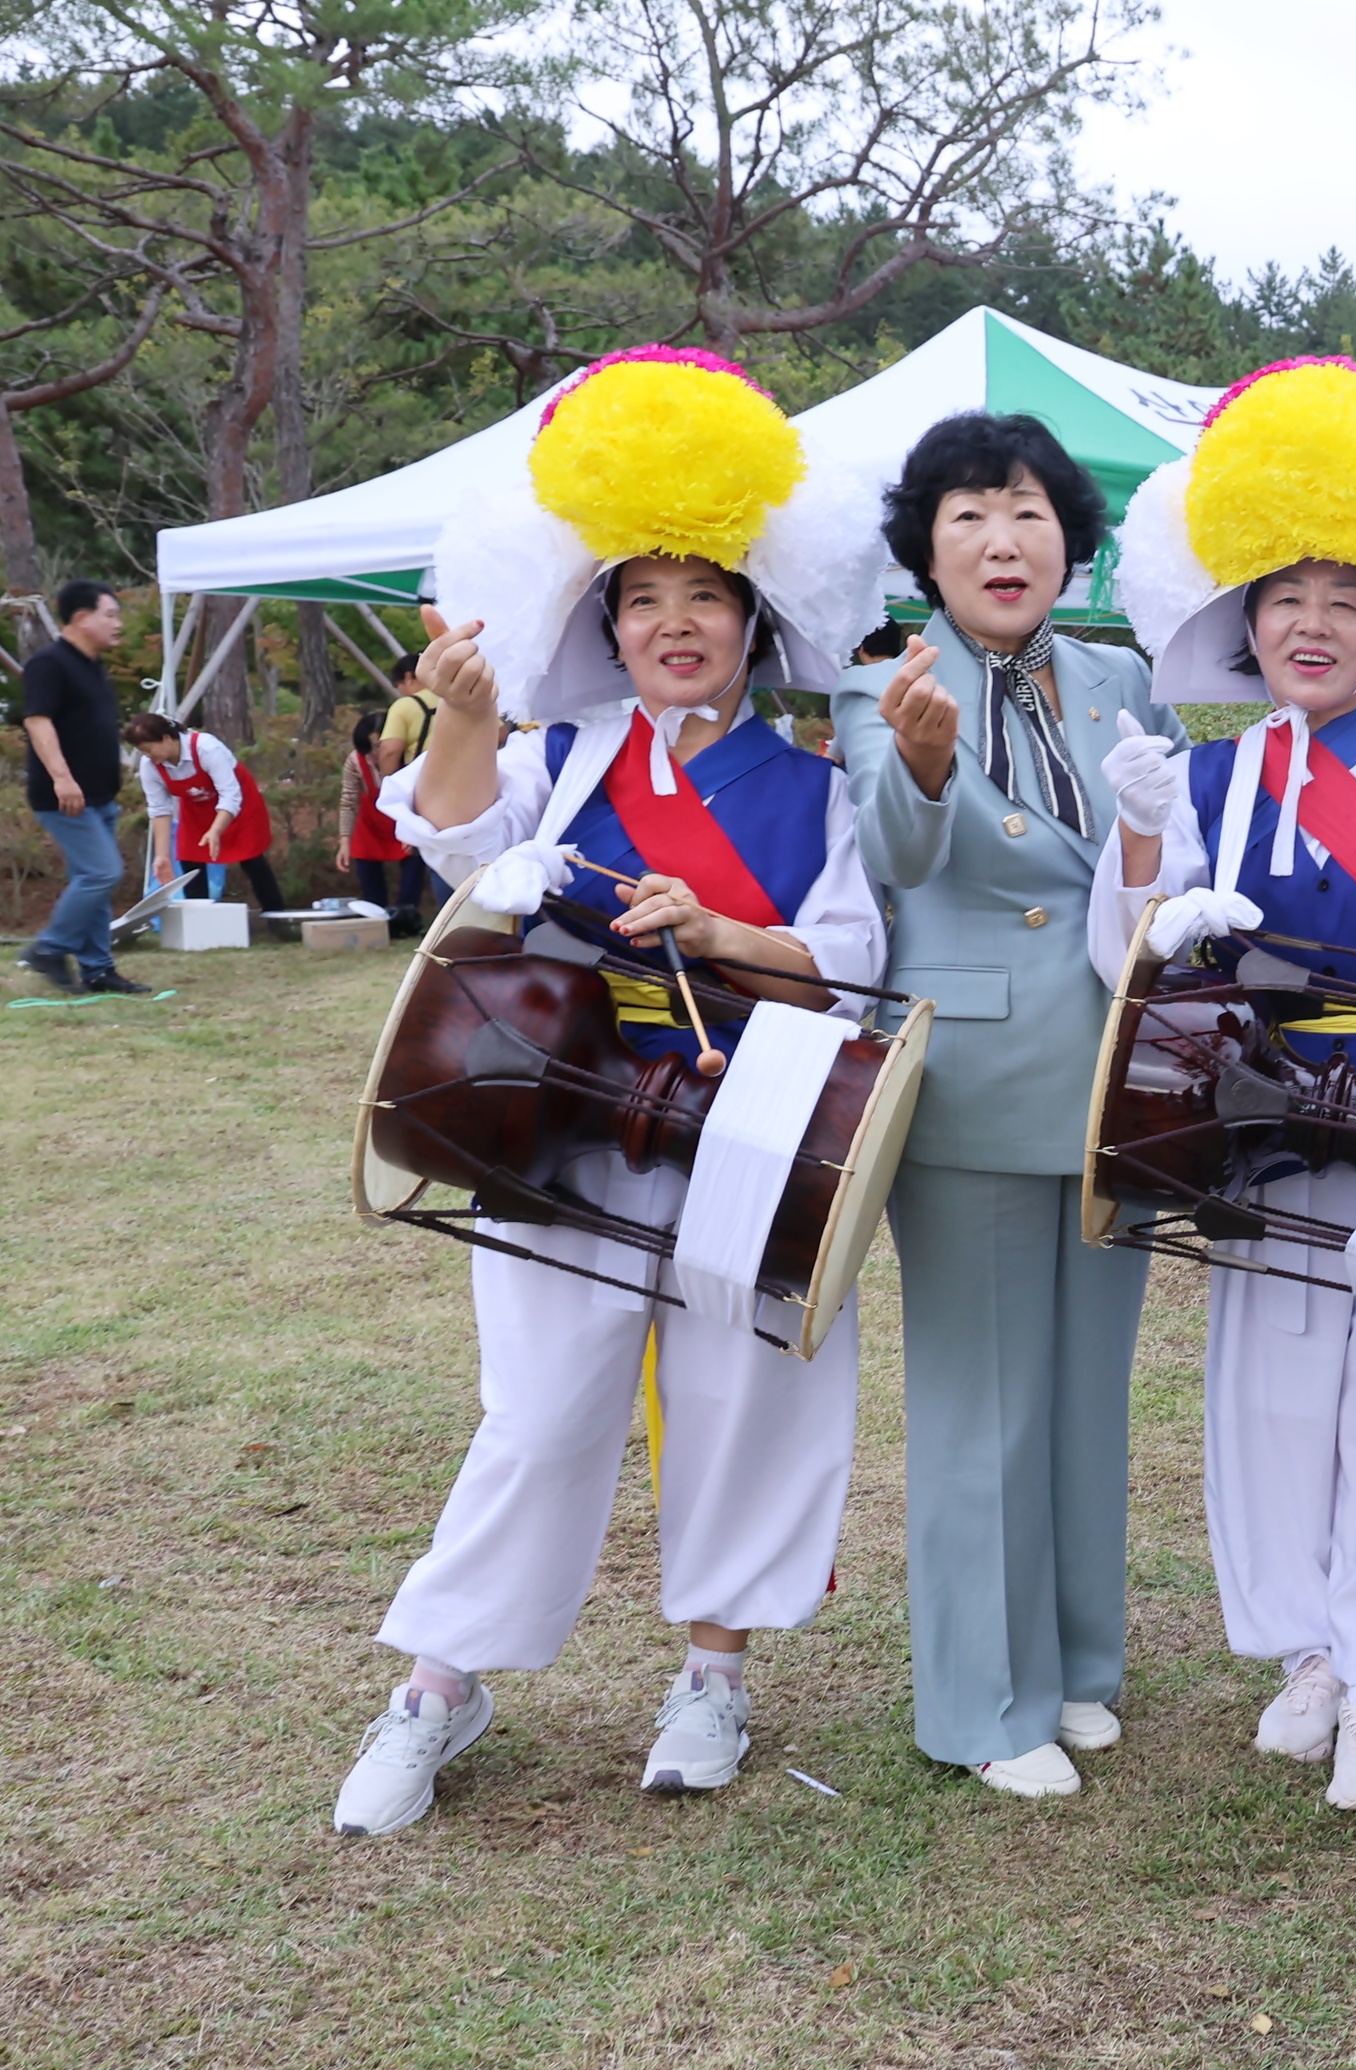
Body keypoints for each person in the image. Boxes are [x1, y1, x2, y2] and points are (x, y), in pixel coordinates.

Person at [335, 346, 893, 1836]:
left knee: (742, 1395)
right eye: (641, 600)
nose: (672, 624)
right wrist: (460, 710)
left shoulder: (815, 780)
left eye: (701, 595)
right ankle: (439, 1684)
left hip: (752, 1128)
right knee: (535, 1409)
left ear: (751, 621)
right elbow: (451, 842)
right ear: (605, 626)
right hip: (558, 1116)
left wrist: (719, 934)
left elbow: (844, 954)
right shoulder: (562, 754)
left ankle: (714, 1670)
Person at [1092, 357, 1356, 1812]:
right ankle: (1307, 1654)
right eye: (1285, 599)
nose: (1313, 624)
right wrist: (1149, 851)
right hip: (1258, 1125)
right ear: (1244, 624)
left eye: (1344, 599)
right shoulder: (1196, 776)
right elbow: (1126, 959)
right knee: (1273, 1390)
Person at [831, 411, 1183, 1798]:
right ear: (925, 541)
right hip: (968, 1072)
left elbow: (1160, 855)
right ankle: (984, 1705)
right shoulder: (883, 673)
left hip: (1115, 1074)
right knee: (982, 1398)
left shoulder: (1118, 676)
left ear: (1069, 542)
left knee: (1088, 1389)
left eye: (1030, 511)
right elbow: (892, 846)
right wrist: (921, 763)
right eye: (970, 511)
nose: (1002, 537)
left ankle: (1079, 1667)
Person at [13, 579, 144, 994]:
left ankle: (98, 969)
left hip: (100, 794)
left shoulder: (92, 666)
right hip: (66, 796)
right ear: (82, 617)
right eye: (110, 614)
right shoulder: (49, 664)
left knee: (94, 883)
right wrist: (62, 778)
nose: (117, 623)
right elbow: (37, 720)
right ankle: (49, 949)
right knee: (102, 873)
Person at [128, 712, 284, 915]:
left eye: (149, 749)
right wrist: (162, 856)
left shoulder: (207, 748)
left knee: (251, 859)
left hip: (239, 805)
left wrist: (216, 830)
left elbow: (230, 795)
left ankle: (277, 915)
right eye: (143, 752)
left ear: (167, 738)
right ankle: (199, 920)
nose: (148, 756)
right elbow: (159, 810)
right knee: (190, 860)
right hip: (197, 810)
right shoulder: (150, 766)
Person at [340, 708, 429, 928]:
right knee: (366, 866)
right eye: (369, 751)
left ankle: (406, 917)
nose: (375, 756)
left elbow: (423, 797)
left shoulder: (412, 756)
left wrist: (411, 828)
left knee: (414, 860)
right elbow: (348, 801)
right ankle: (376, 917)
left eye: (379, 747)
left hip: (407, 816)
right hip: (371, 824)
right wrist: (344, 841)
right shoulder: (355, 762)